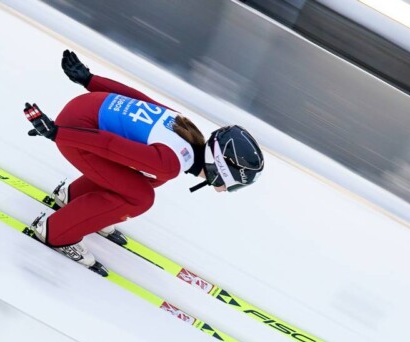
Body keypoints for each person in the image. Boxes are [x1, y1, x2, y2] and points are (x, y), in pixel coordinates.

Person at [24, 50, 264, 269]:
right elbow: (110, 146)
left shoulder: (186, 129)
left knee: (151, 178)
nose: (224, 190)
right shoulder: (170, 162)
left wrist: (89, 80)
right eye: (232, 185)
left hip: (85, 111)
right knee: (141, 197)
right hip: (77, 129)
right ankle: (56, 232)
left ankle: (74, 197)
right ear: (221, 169)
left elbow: (137, 98)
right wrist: (57, 133)